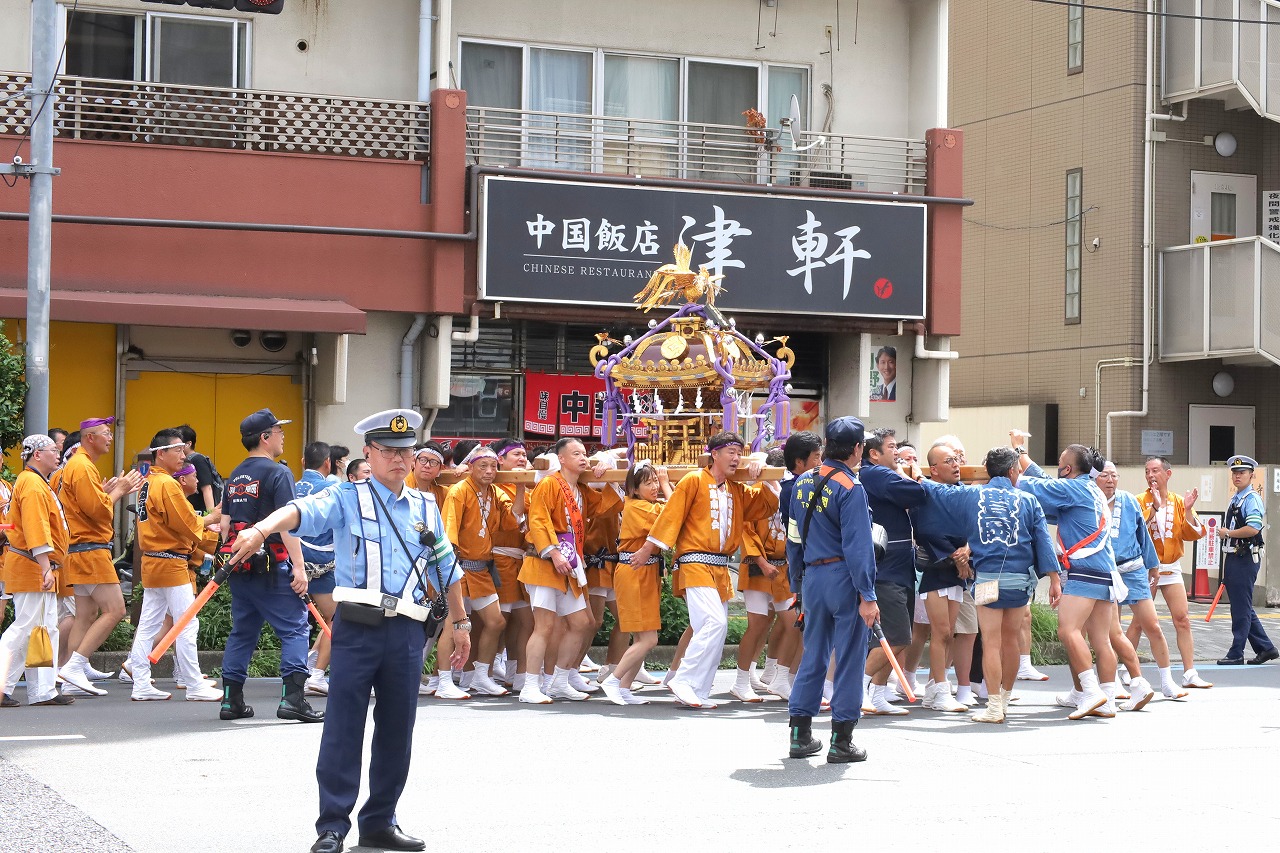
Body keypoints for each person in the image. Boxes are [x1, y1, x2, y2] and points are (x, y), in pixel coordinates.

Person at [228, 408, 468, 853]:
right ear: (368, 453)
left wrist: (462, 622)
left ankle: (380, 822)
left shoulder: (425, 506)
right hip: (358, 627)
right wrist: (261, 530)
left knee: (397, 730)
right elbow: (300, 510)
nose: (398, 459)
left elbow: (446, 566)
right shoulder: (346, 496)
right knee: (343, 728)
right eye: (387, 451)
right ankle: (332, 826)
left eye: (405, 451)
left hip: (407, 631)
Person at [629, 432, 775, 709]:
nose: (736, 458)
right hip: (694, 561)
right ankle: (683, 679)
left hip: (719, 567)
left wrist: (766, 475)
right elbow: (671, 515)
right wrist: (648, 548)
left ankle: (698, 689)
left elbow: (766, 504)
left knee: (717, 628)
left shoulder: (736, 489)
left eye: (740, 453)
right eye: (731, 452)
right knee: (713, 622)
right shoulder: (693, 480)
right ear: (714, 454)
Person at [916, 446, 1059, 723]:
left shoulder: (972, 494)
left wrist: (918, 478)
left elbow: (938, 491)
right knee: (1011, 641)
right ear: (1012, 470)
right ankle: (1004, 698)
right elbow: (1043, 540)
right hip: (1019, 581)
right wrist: (1054, 579)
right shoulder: (1029, 500)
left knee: (991, 642)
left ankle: (993, 706)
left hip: (986, 580)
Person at [218, 409, 321, 723]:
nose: (283, 436)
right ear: (265, 437)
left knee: (242, 632)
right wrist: (299, 567)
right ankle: (293, 699)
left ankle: (230, 700)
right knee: (295, 628)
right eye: (278, 431)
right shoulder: (279, 473)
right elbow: (287, 523)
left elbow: (225, 526)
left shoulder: (234, 475)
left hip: (239, 565)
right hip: (271, 565)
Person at [785, 417, 878, 763]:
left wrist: (798, 585)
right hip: (844, 578)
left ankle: (799, 736)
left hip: (812, 577)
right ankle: (841, 740)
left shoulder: (801, 483)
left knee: (814, 655)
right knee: (850, 658)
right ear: (858, 449)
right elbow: (859, 546)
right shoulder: (851, 486)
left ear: (826, 446)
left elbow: (794, 539)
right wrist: (867, 595)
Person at [1013, 437, 1117, 720]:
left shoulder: (1072, 489)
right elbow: (1046, 482)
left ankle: (1091, 691)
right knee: (1101, 640)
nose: (1058, 467)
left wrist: (1009, 468)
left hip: (1084, 570)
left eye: (1060, 462)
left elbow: (1032, 484)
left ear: (1068, 469)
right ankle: (1104, 698)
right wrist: (1021, 452)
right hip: (1104, 570)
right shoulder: (1089, 489)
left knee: (1068, 631)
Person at [516, 438, 621, 704]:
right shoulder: (549, 484)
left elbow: (606, 506)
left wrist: (610, 479)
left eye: (584, 453)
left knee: (582, 623)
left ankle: (560, 681)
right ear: (561, 458)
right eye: (576, 454)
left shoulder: (582, 490)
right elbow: (538, 520)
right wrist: (553, 552)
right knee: (544, 626)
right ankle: (530, 685)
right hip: (544, 564)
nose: (583, 458)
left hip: (569, 565)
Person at [127, 429, 222, 702]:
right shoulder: (167, 484)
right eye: (177, 450)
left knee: (149, 625)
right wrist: (213, 516)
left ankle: (141, 683)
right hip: (170, 561)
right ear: (161, 454)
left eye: (183, 449)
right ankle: (193, 684)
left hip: (154, 560)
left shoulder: (149, 481)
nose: (183, 455)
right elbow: (188, 523)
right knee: (187, 623)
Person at [53, 417, 142, 696]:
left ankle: (70, 675)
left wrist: (108, 492)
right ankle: (74, 666)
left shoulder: (79, 465)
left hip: (80, 550)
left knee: (86, 614)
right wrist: (120, 490)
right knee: (115, 610)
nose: (110, 438)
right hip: (90, 550)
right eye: (105, 433)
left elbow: (87, 505)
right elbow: (98, 512)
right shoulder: (82, 466)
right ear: (89, 437)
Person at [442, 443, 524, 696]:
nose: (489, 471)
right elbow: (449, 533)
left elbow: (512, 520)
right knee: (453, 625)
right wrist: (448, 570)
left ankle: (480, 676)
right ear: (470, 467)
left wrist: (521, 486)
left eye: (493, 467)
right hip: (458, 568)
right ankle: (443, 681)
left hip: (481, 569)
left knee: (495, 622)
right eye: (483, 466)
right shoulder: (459, 491)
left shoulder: (495, 492)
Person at [0, 435, 73, 708]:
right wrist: (45, 567)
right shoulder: (32, 483)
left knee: (41, 629)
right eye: (53, 450)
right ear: (37, 454)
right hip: (33, 564)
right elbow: (36, 528)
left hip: (36, 564)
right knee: (26, 627)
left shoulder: (34, 481)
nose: (58, 454)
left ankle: (42, 690)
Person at [858, 427, 926, 716]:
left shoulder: (880, 473)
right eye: (891, 447)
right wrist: (914, 475)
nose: (897, 452)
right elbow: (916, 493)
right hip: (886, 570)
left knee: (894, 637)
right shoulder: (874, 473)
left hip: (898, 567)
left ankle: (878, 693)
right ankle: (858, 686)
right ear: (874, 454)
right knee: (897, 637)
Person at [1132, 456, 1212, 688]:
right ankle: (1128, 669)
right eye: (1147, 471)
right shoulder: (1139, 500)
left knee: (1183, 619)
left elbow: (1194, 533)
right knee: (1140, 621)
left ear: (1168, 474)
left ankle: (1189, 673)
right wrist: (1154, 508)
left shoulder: (1179, 501)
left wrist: (1187, 511)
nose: (1150, 475)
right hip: (1147, 568)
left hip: (1172, 568)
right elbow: (1134, 529)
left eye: (1155, 470)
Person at [602, 461, 672, 705]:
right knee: (648, 639)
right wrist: (666, 484)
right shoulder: (637, 506)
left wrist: (664, 485)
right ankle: (613, 681)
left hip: (646, 572)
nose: (654, 487)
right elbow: (675, 513)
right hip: (635, 573)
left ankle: (623, 688)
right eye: (648, 483)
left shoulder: (647, 505)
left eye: (655, 482)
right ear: (634, 488)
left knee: (644, 639)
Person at [909, 444, 972, 713]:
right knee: (941, 631)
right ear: (933, 469)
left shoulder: (964, 492)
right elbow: (925, 530)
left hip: (959, 569)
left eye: (957, 459)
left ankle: (935, 687)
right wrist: (955, 556)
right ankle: (940, 691)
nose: (956, 465)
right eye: (949, 461)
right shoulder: (924, 493)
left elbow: (974, 526)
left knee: (950, 633)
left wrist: (967, 550)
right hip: (936, 568)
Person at [762, 431, 822, 700]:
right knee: (800, 623)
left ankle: (790, 678)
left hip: (804, 562)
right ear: (799, 461)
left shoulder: (801, 484)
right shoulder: (793, 488)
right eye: (816, 457)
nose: (821, 462)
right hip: (803, 564)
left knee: (806, 626)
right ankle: (783, 677)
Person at [733, 447, 795, 704]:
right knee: (757, 625)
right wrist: (761, 561)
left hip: (784, 567)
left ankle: (780, 676)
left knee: (794, 623)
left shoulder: (789, 490)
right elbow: (746, 531)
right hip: (758, 565)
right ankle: (740, 681)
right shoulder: (756, 489)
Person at [1215, 455, 1277, 666]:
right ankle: (1266, 648)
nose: (1237, 476)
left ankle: (1236, 652)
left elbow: (1253, 528)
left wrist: (1228, 533)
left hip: (1245, 558)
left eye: (1242, 472)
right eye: (1234, 472)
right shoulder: (1237, 498)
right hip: (1235, 557)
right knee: (1243, 606)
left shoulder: (1251, 499)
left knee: (1240, 608)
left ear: (1252, 475)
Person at [490, 438, 534, 690]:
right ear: (500, 459)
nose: (522, 458)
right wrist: (519, 486)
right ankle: (480, 671)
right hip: (500, 558)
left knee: (525, 621)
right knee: (499, 621)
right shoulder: (494, 486)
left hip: (520, 560)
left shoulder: (529, 487)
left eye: (524, 454)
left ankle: (517, 672)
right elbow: (511, 521)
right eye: (516, 454)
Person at [297, 441, 338, 697]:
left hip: (292, 563)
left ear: (303, 462)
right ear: (328, 463)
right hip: (321, 563)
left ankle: (306, 668)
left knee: (295, 624)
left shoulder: (291, 486)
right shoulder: (332, 489)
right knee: (338, 618)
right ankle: (317, 674)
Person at [175, 424, 221, 514]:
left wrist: (210, 515)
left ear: (188, 444)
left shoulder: (198, 460)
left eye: (179, 443)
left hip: (200, 513)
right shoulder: (181, 461)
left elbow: (207, 489)